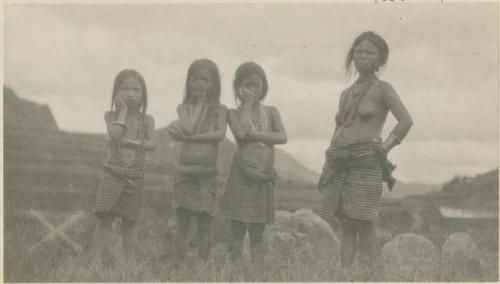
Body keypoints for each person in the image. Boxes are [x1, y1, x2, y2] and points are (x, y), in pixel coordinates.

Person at [318, 31, 413, 268]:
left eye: (370, 52)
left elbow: (406, 121)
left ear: (380, 59)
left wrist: (385, 147)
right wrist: (326, 168)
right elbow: (338, 129)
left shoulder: (383, 89)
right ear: (352, 56)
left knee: (364, 222)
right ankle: (346, 275)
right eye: (359, 51)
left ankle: (373, 276)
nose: (362, 56)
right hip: (338, 163)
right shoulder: (346, 93)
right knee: (346, 225)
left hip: (366, 163)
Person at [221, 62, 287, 261]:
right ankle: (235, 274)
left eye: (256, 85)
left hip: (263, 178)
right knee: (237, 230)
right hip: (241, 177)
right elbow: (241, 133)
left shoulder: (272, 111)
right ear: (238, 88)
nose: (252, 89)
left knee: (257, 232)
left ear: (264, 86)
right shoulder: (232, 113)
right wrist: (248, 104)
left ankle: (257, 276)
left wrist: (256, 134)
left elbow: (282, 137)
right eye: (247, 85)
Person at [92, 69, 156, 266]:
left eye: (136, 89)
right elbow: (115, 134)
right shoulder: (111, 115)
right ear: (116, 93)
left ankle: (129, 264)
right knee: (104, 219)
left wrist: (129, 142)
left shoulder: (147, 120)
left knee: (130, 221)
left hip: (135, 176)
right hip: (112, 173)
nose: (130, 93)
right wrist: (123, 112)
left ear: (143, 94)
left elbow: (152, 144)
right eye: (125, 89)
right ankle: (96, 261)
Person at [167, 58, 227, 261]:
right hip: (184, 173)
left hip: (206, 175)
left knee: (205, 223)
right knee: (182, 222)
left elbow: (219, 135)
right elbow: (188, 127)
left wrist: (186, 138)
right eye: (196, 79)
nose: (200, 83)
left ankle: (203, 265)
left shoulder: (220, 110)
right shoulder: (183, 108)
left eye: (206, 79)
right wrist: (200, 105)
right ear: (189, 82)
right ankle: (180, 265)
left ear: (215, 84)